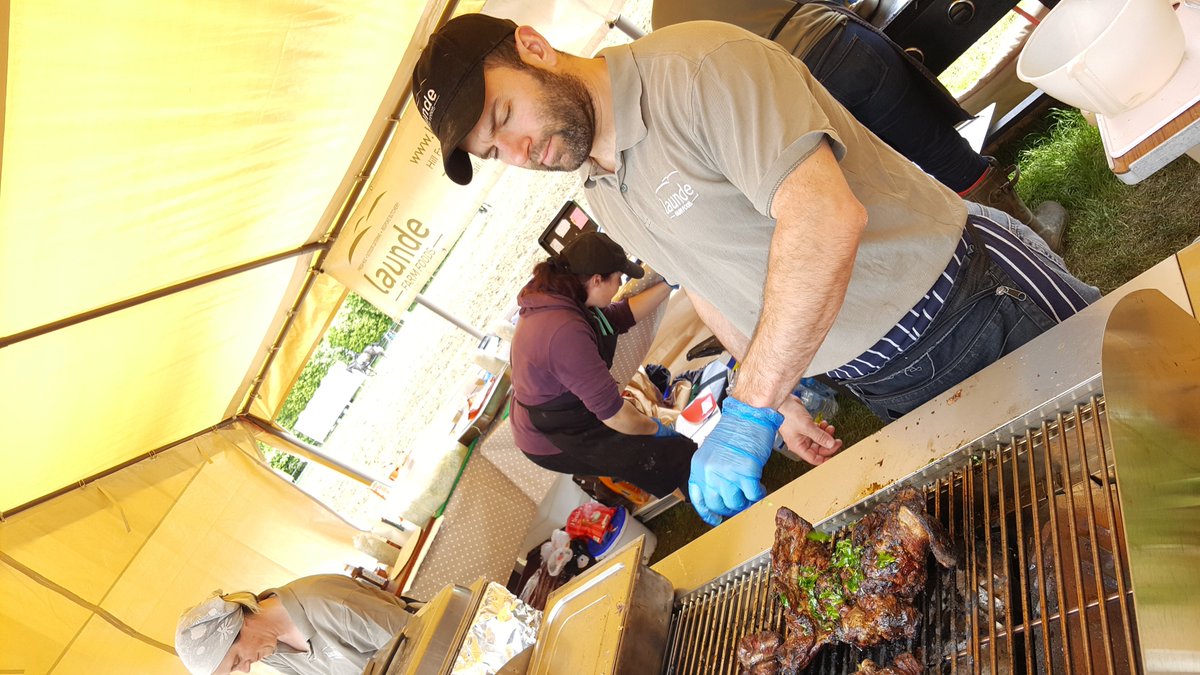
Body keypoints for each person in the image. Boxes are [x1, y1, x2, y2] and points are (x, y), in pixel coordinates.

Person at [411, 14, 1099, 526]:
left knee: (1137, 453)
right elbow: (709, 285)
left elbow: (825, 219)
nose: (520, 149)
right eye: (495, 150)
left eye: (505, 114)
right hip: (878, 378)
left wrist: (751, 409)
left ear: (533, 47)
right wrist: (784, 397)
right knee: (1042, 506)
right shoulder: (599, 191)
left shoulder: (701, 69)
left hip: (968, 303)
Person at [650, 0, 1067, 252]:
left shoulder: (661, 26)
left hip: (797, 102)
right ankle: (1033, 237)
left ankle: (1001, 258)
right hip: (842, 51)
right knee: (943, 155)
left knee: (896, 190)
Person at [508, 230, 696, 498]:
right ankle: (725, 512)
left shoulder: (564, 294)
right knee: (664, 456)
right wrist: (656, 429)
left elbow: (619, 317)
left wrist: (668, 283)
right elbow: (616, 415)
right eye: (618, 280)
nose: (620, 285)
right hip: (552, 436)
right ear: (596, 280)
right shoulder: (564, 331)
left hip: (567, 412)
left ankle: (703, 494)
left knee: (665, 454)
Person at [174, 574, 409, 675]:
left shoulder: (326, 602)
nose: (245, 669)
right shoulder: (270, 651)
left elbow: (422, 638)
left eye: (236, 661)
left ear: (237, 626)